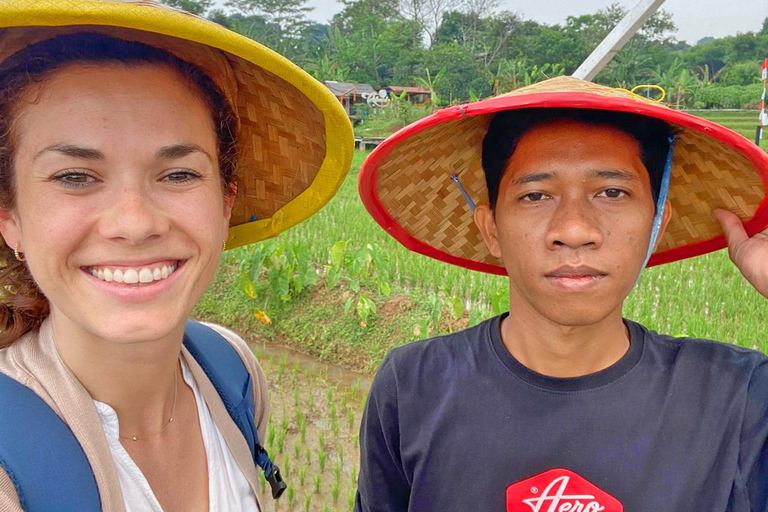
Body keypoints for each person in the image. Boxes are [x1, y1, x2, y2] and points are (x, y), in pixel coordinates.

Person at [355, 76, 768, 511]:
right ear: (491, 229)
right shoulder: (413, 383)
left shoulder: (739, 394)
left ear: (656, 226)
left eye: (612, 192)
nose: (574, 231)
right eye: (536, 195)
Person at [0, 1, 352, 511]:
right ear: (10, 217)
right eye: (74, 177)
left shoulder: (230, 371)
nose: (135, 222)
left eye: (179, 174)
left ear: (225, 202)